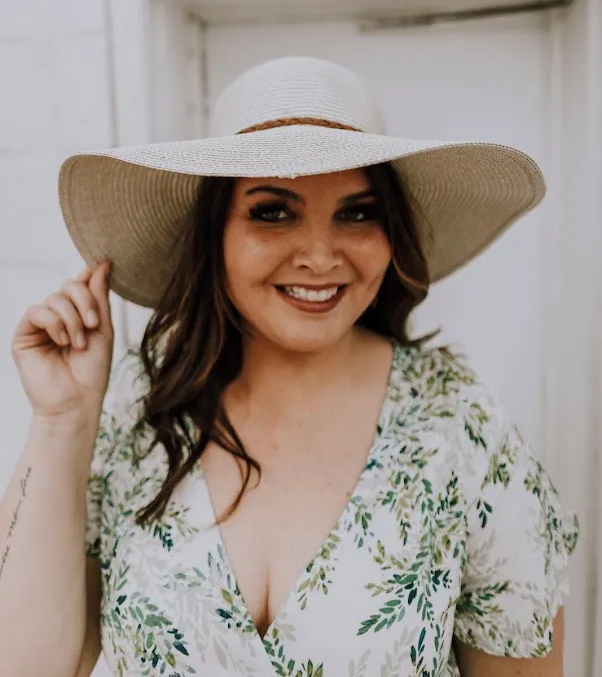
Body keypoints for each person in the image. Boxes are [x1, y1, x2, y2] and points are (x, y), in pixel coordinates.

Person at [2, 56, 578, 677]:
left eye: (358, 212)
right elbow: (27, 665)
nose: (320, 256)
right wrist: (62, 420)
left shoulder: (459, 426)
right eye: (272, 211)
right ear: (214, 234)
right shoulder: (138, 413)